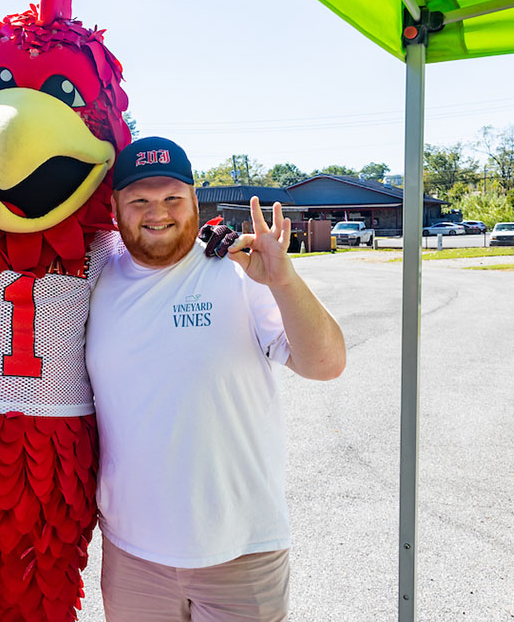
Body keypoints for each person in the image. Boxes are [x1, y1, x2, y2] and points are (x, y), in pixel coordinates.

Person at [86, 137, 347, 622]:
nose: (156, 213)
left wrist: (285, 280)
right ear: (115, 206)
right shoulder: (95, 281)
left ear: (193, 199)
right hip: (133, 556)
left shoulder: (239, 270)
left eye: (171, 199)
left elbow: (325, 364)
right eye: (139, 200)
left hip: (242, 551)